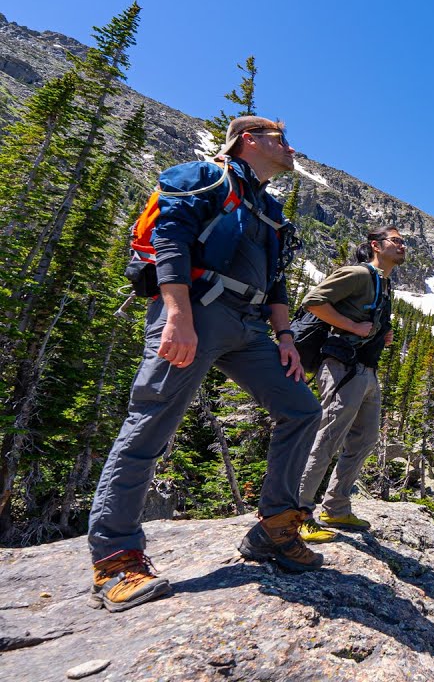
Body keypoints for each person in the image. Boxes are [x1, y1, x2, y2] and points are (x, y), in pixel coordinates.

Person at [88, 116, 324, 612]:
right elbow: (170, 240)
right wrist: (176, 314)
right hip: (197, 310)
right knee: (150, 423)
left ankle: (274, 528)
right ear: (249, 141)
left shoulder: (269, 206)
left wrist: (285, 337)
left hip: (249, 326)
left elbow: (276, 281)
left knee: (302, 409)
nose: (291, 148)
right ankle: (116, 559)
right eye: (281, 140)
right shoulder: (205, 177)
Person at [295, 226, 404, 542]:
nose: (402, 247)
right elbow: (313, 301)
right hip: (343, 366)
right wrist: (353, 326)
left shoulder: (384, 283)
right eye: (396, 241)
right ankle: (296, 512)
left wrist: (381, 333)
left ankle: (336, 506)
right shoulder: (358, 273)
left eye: (403, 243)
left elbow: (368, 318)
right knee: (328, 437)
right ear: (376, 245)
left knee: (365, 438)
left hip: (367, 371)